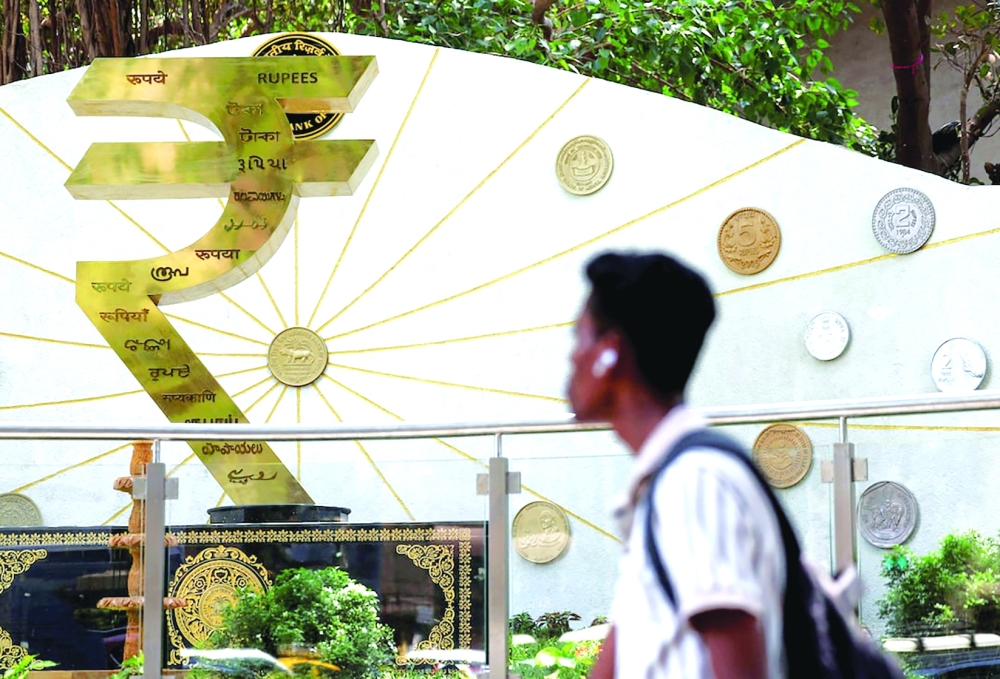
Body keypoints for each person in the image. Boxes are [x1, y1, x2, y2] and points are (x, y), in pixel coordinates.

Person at [567, 251, 786, 679]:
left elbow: (738, 659)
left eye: (580, 338)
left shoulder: (693, 481)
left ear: (609, 354)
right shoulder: (667, 482)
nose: (572, 358)